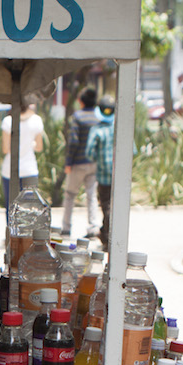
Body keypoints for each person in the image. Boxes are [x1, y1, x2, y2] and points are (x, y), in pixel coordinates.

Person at [61, 85, 100, 239]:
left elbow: (73, 141)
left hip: (78, 162)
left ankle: (66, 227)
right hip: (94, 163)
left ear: (81, 101)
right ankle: (92, 227)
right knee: (91, 195)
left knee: (70, 194)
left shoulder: (78, 117)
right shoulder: (98, 117)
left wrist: (68, 162)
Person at [0, 98, 44, 218]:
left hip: (10, 168)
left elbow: (5, 149)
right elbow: (39, 147)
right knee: (30, 208)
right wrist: (30, 144)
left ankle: (11, 235)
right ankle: (27, 236)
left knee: (11, 207)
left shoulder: (8, 121)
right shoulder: (36, 120)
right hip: (29, 169)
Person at [85, 94, 116, 248]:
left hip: (104, 176)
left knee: (107, 206)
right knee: (114, 205)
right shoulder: (119, 129)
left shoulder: (96, 131)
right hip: (119, 177)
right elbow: (133, 150)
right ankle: (106, 234)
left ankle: (108, 236)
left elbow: (89, 153)